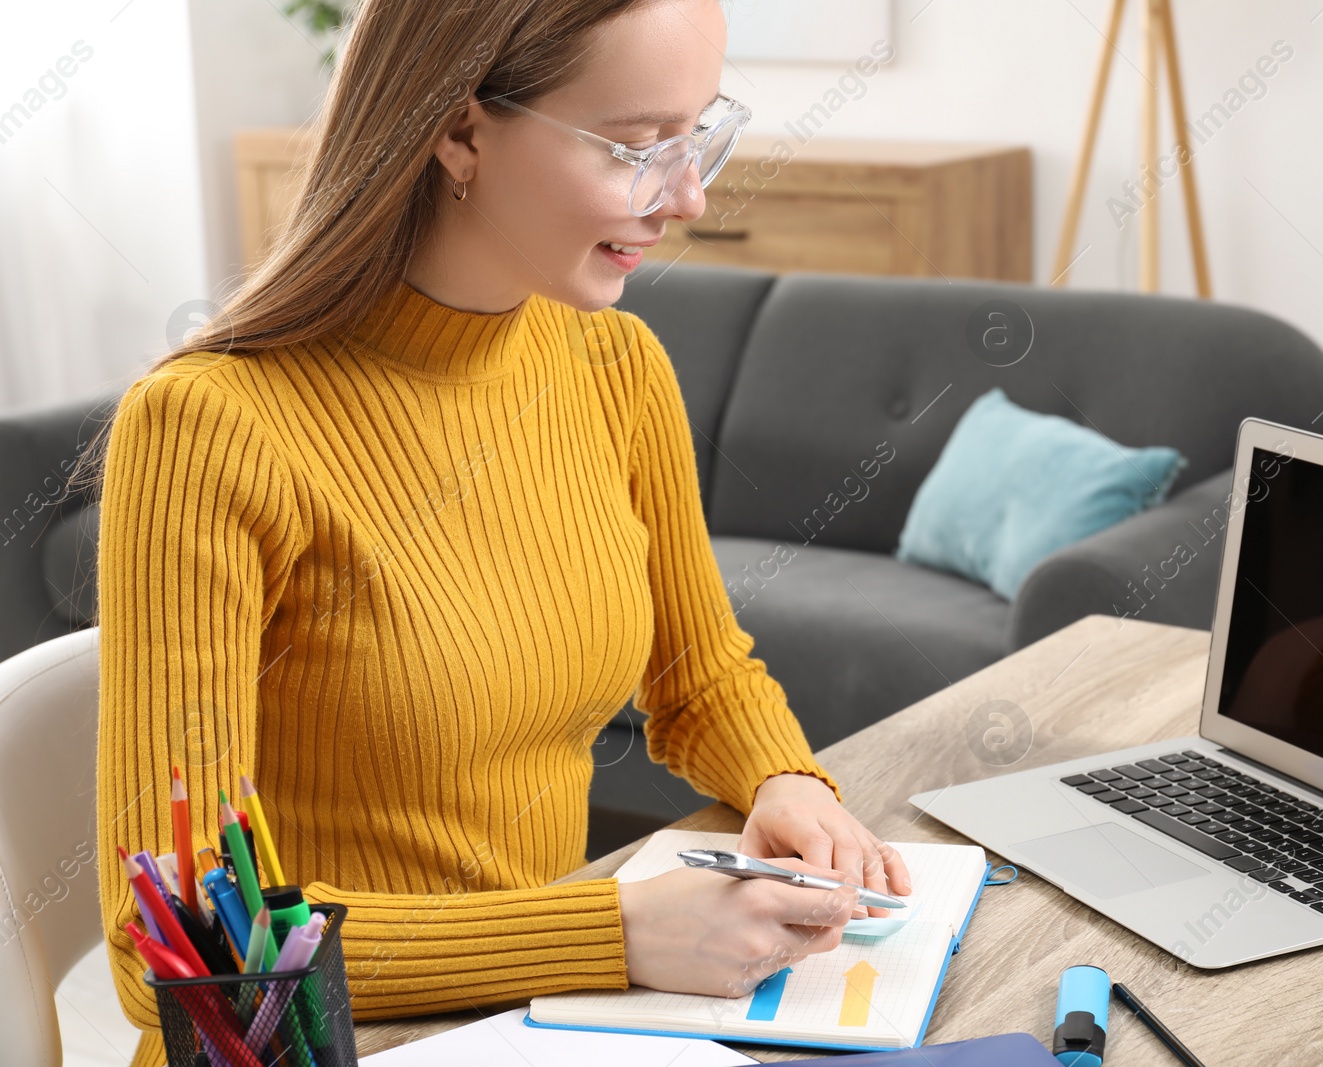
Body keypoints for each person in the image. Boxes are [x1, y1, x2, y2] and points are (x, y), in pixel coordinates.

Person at [94, 2, 911, 1063]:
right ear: (461, 132)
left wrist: (783, 778)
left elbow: (699, 673)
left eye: (699, 135)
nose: (690, 196)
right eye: (638, 148)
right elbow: (178, 955)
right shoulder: (208, 427)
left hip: (537, 1024)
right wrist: (611, 928)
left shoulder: (614, 367)